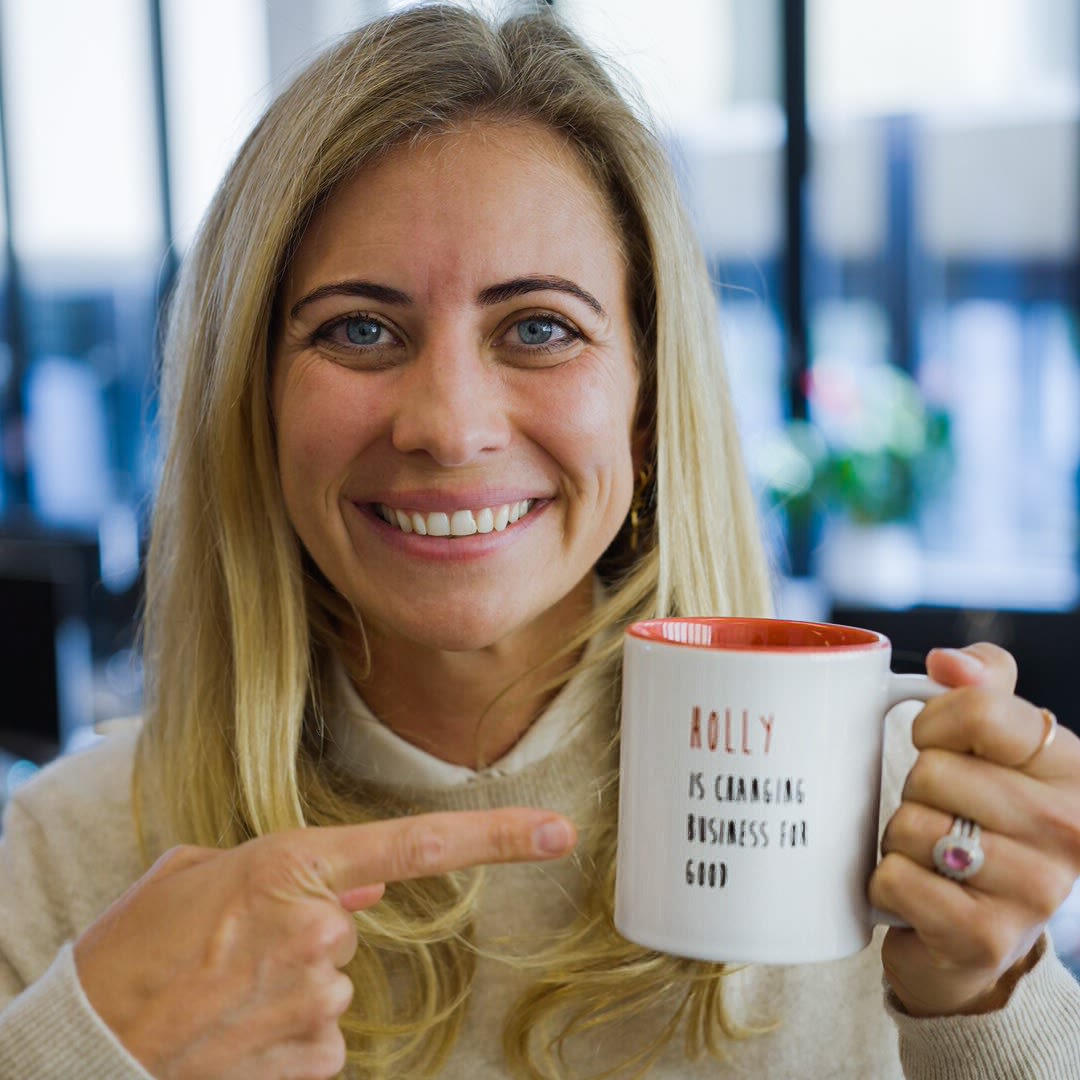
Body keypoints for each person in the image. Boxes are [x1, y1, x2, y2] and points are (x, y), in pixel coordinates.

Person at [1, 4, 1078, 1077]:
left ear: (647, 414)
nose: (448, 427)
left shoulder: (901, 823)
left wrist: (984, 999)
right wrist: (83, 1056)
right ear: (254, 406)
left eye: (539, 329)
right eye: (359, 330)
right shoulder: (68, 856)